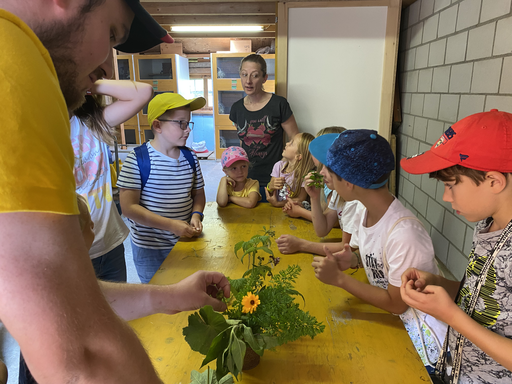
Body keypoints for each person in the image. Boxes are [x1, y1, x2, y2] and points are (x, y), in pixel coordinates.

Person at [0, 1, 229, 383]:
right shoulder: (13, 59)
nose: (108, 65)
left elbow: (70, 303)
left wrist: (169, 296)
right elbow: (81, 356)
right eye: (111, 34)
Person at [310, 129, 447, 372]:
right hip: (392, 323)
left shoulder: (404, 234)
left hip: (424, 345)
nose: (322, 173)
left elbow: (398, 304)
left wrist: (339, 280)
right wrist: (353, 259)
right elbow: (378, 257)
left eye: (328, 169)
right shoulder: (366, 212)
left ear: (349, 182)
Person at [400, 110, 512, 383]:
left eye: (451, 185)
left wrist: (449, 314)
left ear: (494, 181)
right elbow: (483, 299)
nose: (446, 197)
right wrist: (438, 283)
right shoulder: (488, 224)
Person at [118, 93, 207, 283]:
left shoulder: (190, 157)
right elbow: (128, 208)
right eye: (181, 123)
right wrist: (171, 225)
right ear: (157, 125)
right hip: (150, 249)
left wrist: (196, 215)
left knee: (186, 288)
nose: (187, 130)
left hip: (184, 242)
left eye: (189, 123)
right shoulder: (137, 159)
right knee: (157, 294)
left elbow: (198, 194)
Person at [73, 76, 154, 282]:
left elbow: (142, 92)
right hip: (74, 249)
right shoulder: (44, 129)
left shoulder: (93, 123)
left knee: (117, 312)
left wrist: (83, 82)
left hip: (109, 243)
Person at [277, 133, 364, 256]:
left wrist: (301, 245)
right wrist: (314, 197)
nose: (321, 173)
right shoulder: (338, 193)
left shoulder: (354, 202)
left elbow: (346, 249)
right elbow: (322, 230)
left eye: (326, 168)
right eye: (321, 167)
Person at [229, 53, 299, 201]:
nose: (248, 81)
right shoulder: (236, 108)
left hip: (276, 179)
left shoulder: (279, 104)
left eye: (254, 75)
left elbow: (296, 140)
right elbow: (242, 144)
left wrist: (292, 174)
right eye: (244, 74)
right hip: (246, 180)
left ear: (264, 78)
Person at [282, 127, 346, 221]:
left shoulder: (332, 182)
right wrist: (303, 206)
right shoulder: (324, 177)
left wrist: (300, 211)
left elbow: (333, 221)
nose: (312, 152)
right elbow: (323, 211)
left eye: (317, 149)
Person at [266, 132, 315, 208]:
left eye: (291, 143)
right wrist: (270, 186)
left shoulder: (305, 174)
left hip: (293, 212)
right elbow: (271, 192)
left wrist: (278, 204)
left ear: (298, 156)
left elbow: (301, 199)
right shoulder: (278, 166)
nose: (287, 143)